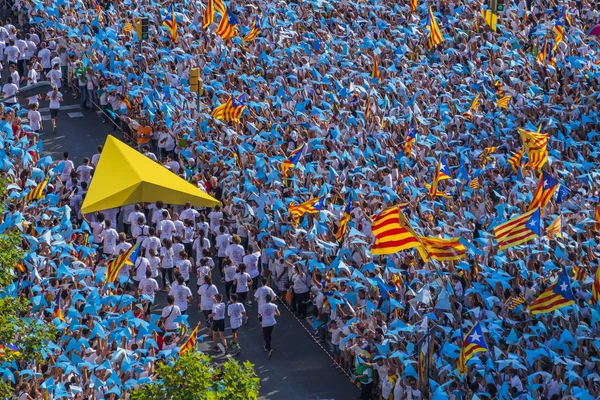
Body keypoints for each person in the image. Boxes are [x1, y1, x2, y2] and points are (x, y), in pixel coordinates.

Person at [258, 294, 279, 359]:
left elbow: (259, 315)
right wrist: (273, 313)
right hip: (272, 322)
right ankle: (267, 346)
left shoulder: (262, 306)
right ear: (271, 299)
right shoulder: (274, 306)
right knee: (269, 335)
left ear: (265, 299)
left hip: (265, 323)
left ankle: (269, 348)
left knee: (266, 336)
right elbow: (278, 313)